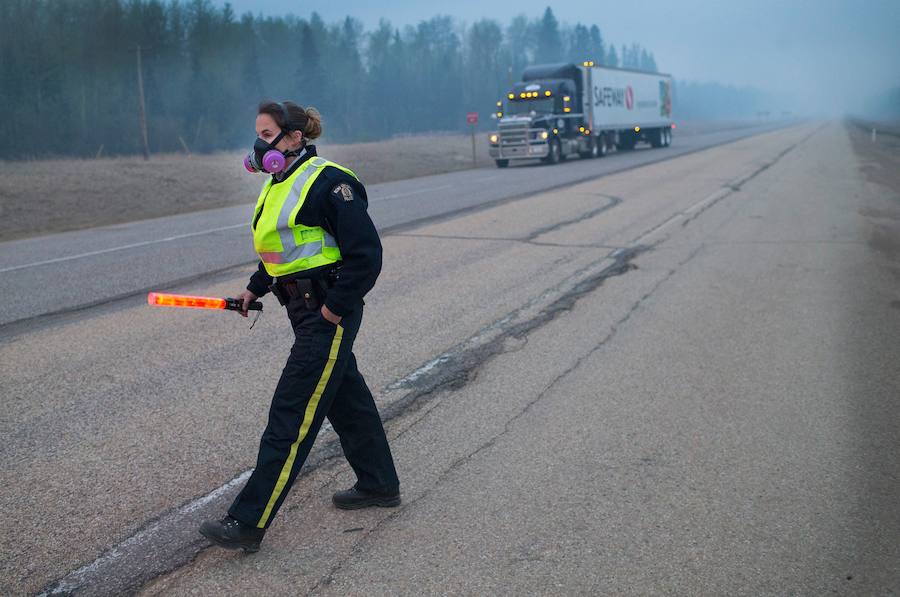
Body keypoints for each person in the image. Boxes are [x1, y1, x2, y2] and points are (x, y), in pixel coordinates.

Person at [200, 101, 400, 553]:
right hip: (301, 308)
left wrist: (332, 313)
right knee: (347, 401)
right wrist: (254, 288)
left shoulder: (331, 183)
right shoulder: (278, 183)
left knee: (291, 414)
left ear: (294, 137)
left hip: (326, 311)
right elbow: (284, 250)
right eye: (258, 134)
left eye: (267, 134)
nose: (258, 145)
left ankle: (248, 521)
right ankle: (379, 484)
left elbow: (366, 256)